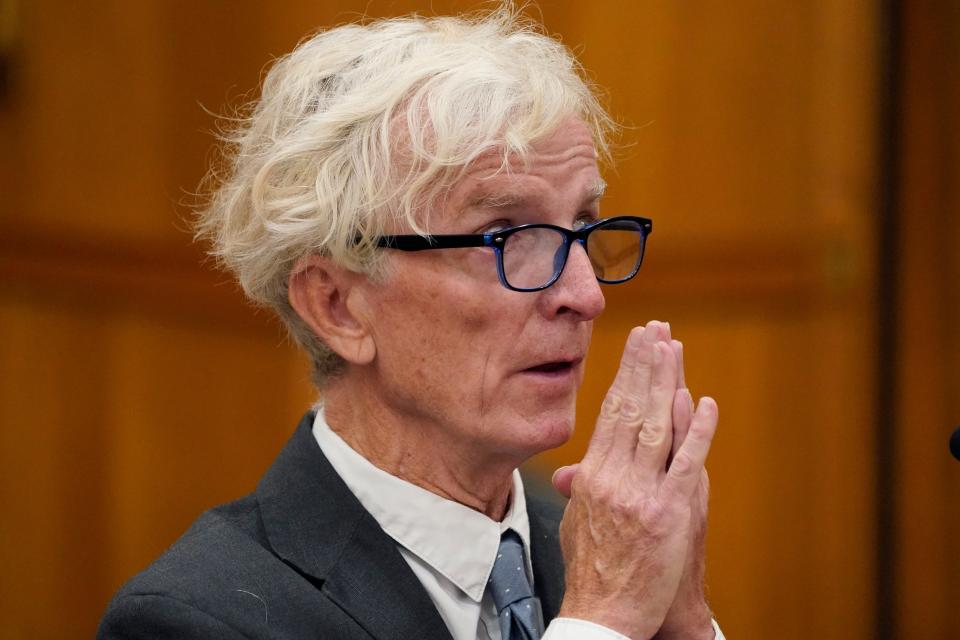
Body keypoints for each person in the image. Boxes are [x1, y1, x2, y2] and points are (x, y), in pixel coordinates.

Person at [98, 6, 723, 640]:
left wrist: (688, 625)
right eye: (504, 234)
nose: (585, 295)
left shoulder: (597, 539)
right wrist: (604, 623)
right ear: (338, 305)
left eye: (583, 228)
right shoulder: (194, 619)